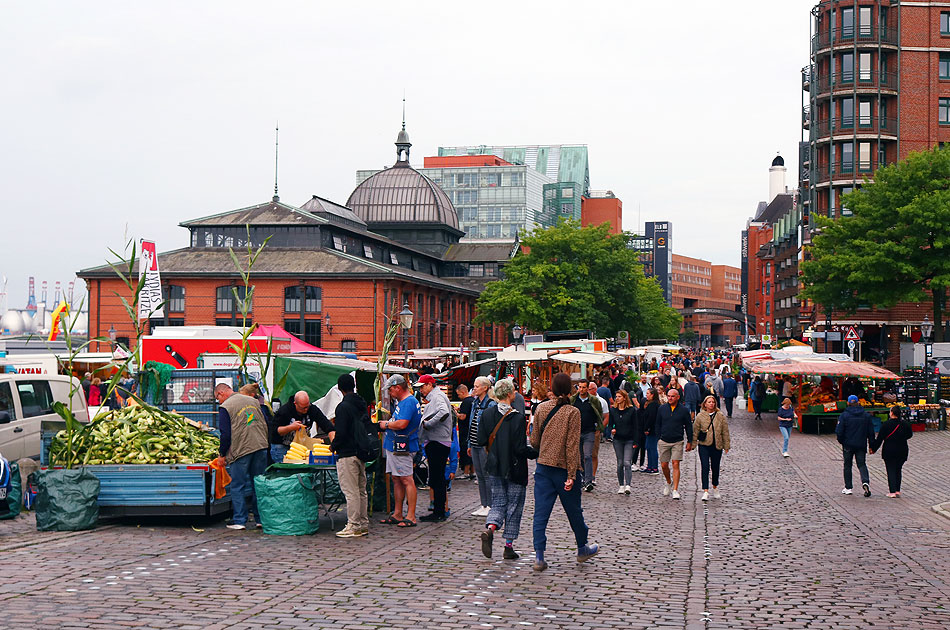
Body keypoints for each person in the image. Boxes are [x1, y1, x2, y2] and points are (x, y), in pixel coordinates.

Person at [530, 373, 599, 572]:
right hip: (563, 469)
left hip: (543, 467)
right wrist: (571, 475)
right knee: (574, 512)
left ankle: (539, 556)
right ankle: (582, 547)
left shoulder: (541, 408)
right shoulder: (572, 412)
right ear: (570, 390)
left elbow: (534, 440)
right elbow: (571, 445)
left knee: (540, 515)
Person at [477, 379, 532, 560]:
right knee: (514, 505)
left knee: (499, 501)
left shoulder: (486, 414)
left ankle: (490, 528)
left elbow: (480, 440)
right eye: (514, 391)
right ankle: (508, 546)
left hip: (494, 465)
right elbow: (519, 448)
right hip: (515, 467)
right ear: (509, 394)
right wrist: (536, 452)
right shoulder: (516, 417)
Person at [213, 383, 269, 530]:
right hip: (260, 446)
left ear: (221, 393)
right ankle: (260, 519)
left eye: (217, 398)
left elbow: (225, 434)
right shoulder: (253, 401)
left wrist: (222, 454)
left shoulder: (226, 406)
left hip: (241, 450)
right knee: (258, 484)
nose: (218, 401)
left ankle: (239, 520)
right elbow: (265, 423)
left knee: (237, 485)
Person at [377, 374, 423, 527]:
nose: (389, 393)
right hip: (395, 445)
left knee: (406, 479)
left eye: (390, 390)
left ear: (397, 387)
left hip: (403, 446)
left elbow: (402, 423)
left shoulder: (408, 402)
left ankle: (411, 516)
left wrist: (386, 425)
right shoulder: (404, 402)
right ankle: (398, 513)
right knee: (397, 479)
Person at [331, 374, 370, 538]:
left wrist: (333, 446)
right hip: (361, 451)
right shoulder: (361, 404)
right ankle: (362, 523)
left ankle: (353, 525)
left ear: (339, 388)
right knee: (361, 490)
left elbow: (340, 432)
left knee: (351, 491)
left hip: (347, 453)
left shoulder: (343, 407)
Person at [416, 374, 453, 522]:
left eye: (423, 387)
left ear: (430, 384)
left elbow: (444, 412)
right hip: (437, 440)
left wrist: (429, 424)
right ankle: (439, 510)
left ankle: (439, 511)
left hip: (438, 441)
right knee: (437, 477)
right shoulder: (437, 396)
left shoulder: (437, 396)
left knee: (437, 477)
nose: (421, 390)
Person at [272, 390, 336, 464]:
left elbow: (327, 425)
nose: (306, 409)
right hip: (282, 446)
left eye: (307, 406)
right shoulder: (284, 411)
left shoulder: (312, 409)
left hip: (300, 447)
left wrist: (334, 443)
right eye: (303, 408)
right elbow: (275, 431)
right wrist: (291, 427)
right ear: (295, 404)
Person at [835, 394, 876, 497]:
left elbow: (839, 431)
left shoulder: (844, 415)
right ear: (858, 402)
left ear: (848, 403)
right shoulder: (866, 416)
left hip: (848, 444)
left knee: (847, 465)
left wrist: (842, 441)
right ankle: (865, 481)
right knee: (862, 464)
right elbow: (871, 432)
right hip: (861, 444)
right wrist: (872, 445)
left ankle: (848, 487)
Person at [656, 388, 693, 500]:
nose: (670, 398)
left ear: (677, 397)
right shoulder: (662, 409)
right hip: (664, 440)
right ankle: (668, 482)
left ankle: (675, 490)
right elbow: (657, 423)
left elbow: (688, 426)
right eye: (669, 396)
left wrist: (690, 441)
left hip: (677, 440)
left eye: (672, 396)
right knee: (664, 465)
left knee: (676, 463)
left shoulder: (683, 410)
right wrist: (659, 437)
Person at [468, 376, 496, 516]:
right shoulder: (475, 403)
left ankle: (490, 505)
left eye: (477, 386)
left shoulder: (490, 404)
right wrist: (469, 443)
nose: (475, 388)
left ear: (485, 388)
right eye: (474, 386)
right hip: (474, 443)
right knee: (479, 475)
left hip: (484, 445)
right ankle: (483, 504)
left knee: (486, 475)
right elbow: (471, 423)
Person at [693, 395, 730, 501]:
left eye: (713, 402)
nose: (711, 404)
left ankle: (715, 486)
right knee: (705, 467)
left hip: (716, 445)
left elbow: (725, 431)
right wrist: (693, 443)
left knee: (715, 467)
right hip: (704, 445)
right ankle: (705, 490)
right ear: (705, 404)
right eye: (709, 402)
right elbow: (695, 430)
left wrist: (726, 445)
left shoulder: (720, 415)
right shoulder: (700, 416)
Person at [870, 406, 913, 498]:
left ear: (892, 413)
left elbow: (880, 438)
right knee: (898, 469)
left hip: (889, 450)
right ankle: (897, 490)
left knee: (891, 470)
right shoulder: (905, 424)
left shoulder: (886, 424)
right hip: (902, 449)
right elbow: (910, 435)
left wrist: (873, 448)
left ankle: (892, 491)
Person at [570, 379, 603, 492]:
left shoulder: (593, 400)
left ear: (588, 388)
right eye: (580, 387)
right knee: (579, 457)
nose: (582, 389)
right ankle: (582, 478)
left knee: (588, 455)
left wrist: (598, 428)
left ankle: (588, 480)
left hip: (589, 431)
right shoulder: (573, 400)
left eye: (584, 387)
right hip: (576, 431)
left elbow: (599, 413)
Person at [607, 389, 638, 494]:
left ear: (624, 398)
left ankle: (628, 485)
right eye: (616, 396)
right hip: (618, 440)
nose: (617, 398)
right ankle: (621, 485)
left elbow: (635, 426)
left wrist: (636, 441)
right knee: (620, 463)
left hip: (629, 439)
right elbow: (610, 424)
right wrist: (612, 429)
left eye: (619, 396)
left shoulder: (631, 410)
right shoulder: (613, 410)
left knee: (627, 463)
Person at [456, 384, 474, 480]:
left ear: (463, 392)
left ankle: (466, 472)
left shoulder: (465, 402)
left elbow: (463, 416)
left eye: (459, 395)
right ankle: (473, 471)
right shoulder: (473, 400)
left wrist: (456, 413)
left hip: (465, 429)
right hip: (471, 429)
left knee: (465, 449)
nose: (459, 396)